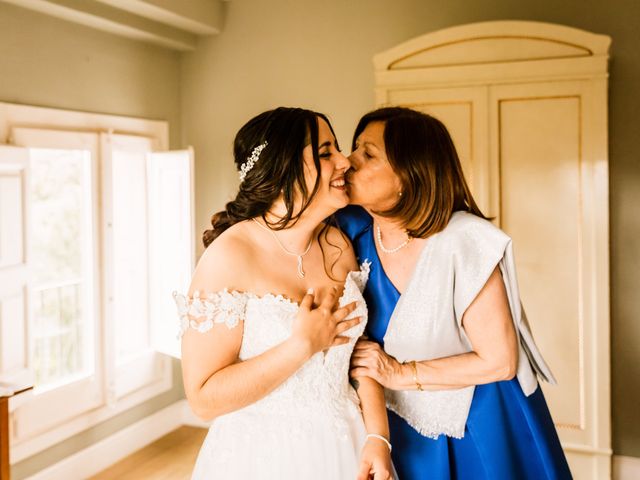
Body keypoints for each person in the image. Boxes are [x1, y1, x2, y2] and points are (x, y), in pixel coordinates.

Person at [338, 107, 573, 479]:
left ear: (409, 175)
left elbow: (499, 361)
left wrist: (399, 373)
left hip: (481, 422)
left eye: (367, 154)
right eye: (353, 149)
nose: (346, 162)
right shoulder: (349, 232)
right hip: (397, 424)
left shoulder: (465, 242)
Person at [174, 107, 394, 479]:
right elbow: (203, 398)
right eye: (326, 153)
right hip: (263, 457)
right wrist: (300, 347)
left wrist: (378, 436)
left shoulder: (338, 245)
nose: (344, 162)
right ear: (282, 170)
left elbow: (360, 354)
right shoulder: (230, 256)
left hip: (348, 447)